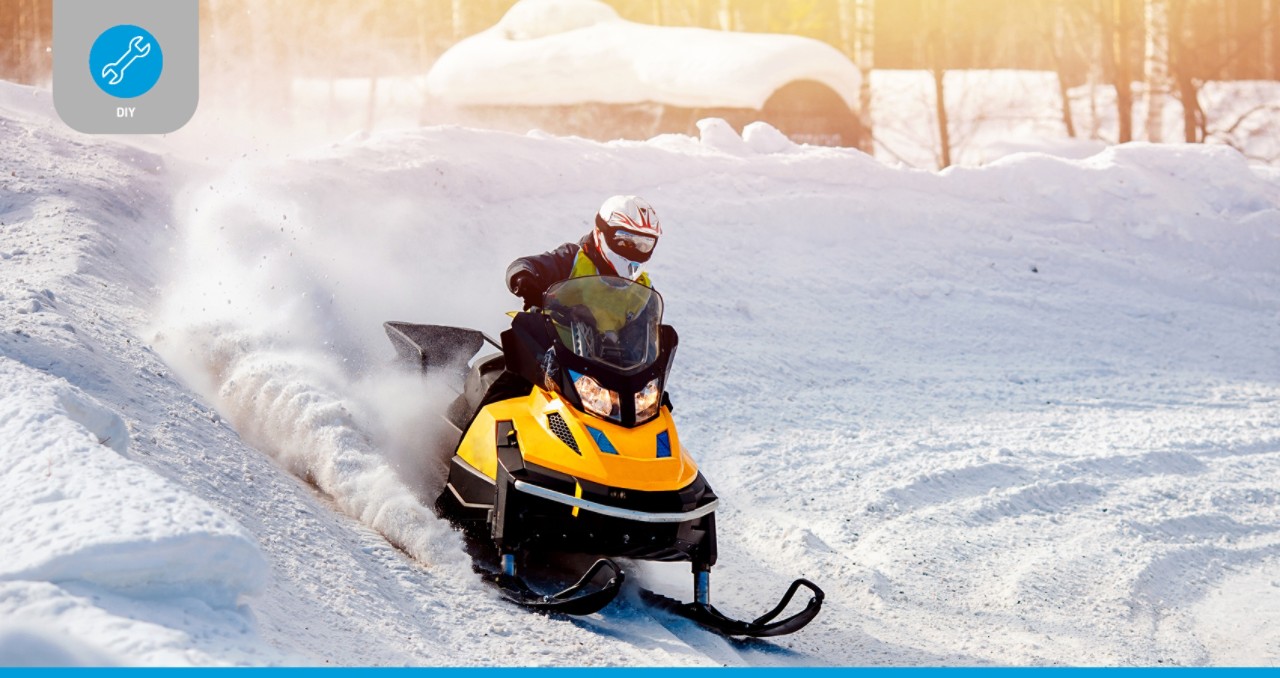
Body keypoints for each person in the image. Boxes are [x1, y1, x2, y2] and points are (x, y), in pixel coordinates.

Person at [506, 195, 661, 310]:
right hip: (547, 345)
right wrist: (523, 279)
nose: (634, 252)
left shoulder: (644, 290)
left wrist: (661, 344)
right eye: (626, 242)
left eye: (644, 245)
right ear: (602, 232)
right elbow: (524, 264)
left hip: (601, 354)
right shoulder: (573, 258)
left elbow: (644, 338)